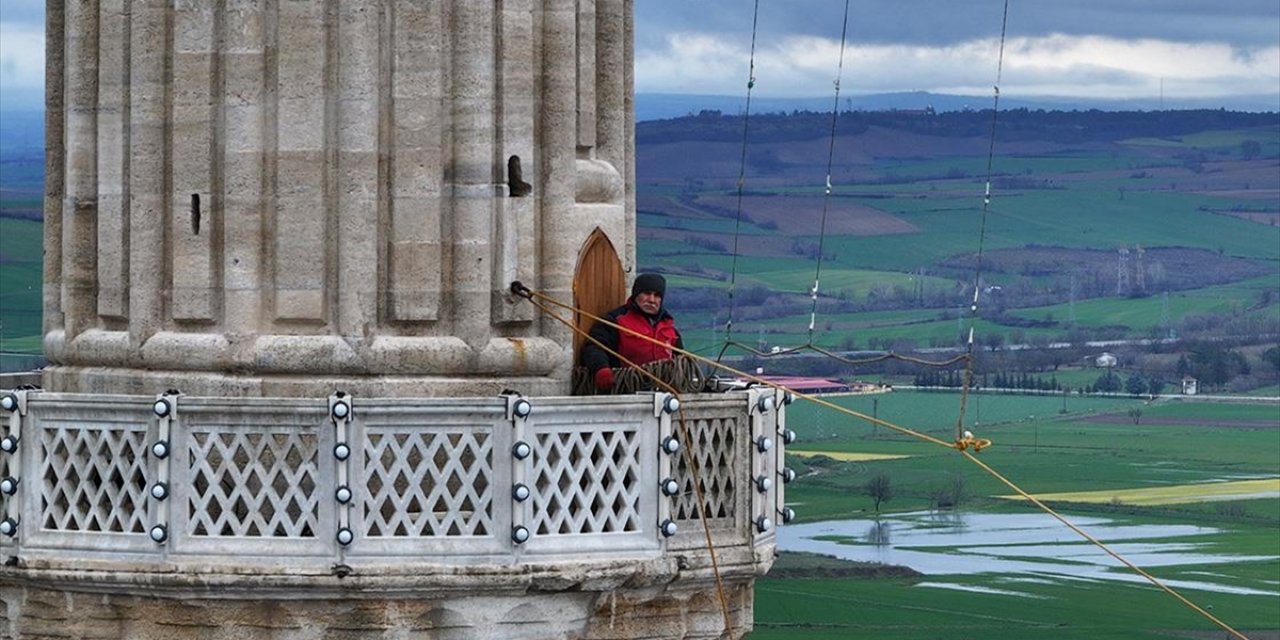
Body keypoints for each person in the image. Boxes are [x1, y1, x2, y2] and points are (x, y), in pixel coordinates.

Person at [581, 273, 684, 392]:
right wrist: (601, 368)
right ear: (636, 294)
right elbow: (594, 346)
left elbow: (681, 360)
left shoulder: (669, 327)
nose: (651, 300)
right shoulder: (616, 320)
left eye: (657, 295)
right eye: (647, 293)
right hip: (624, 390)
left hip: (663, 391)